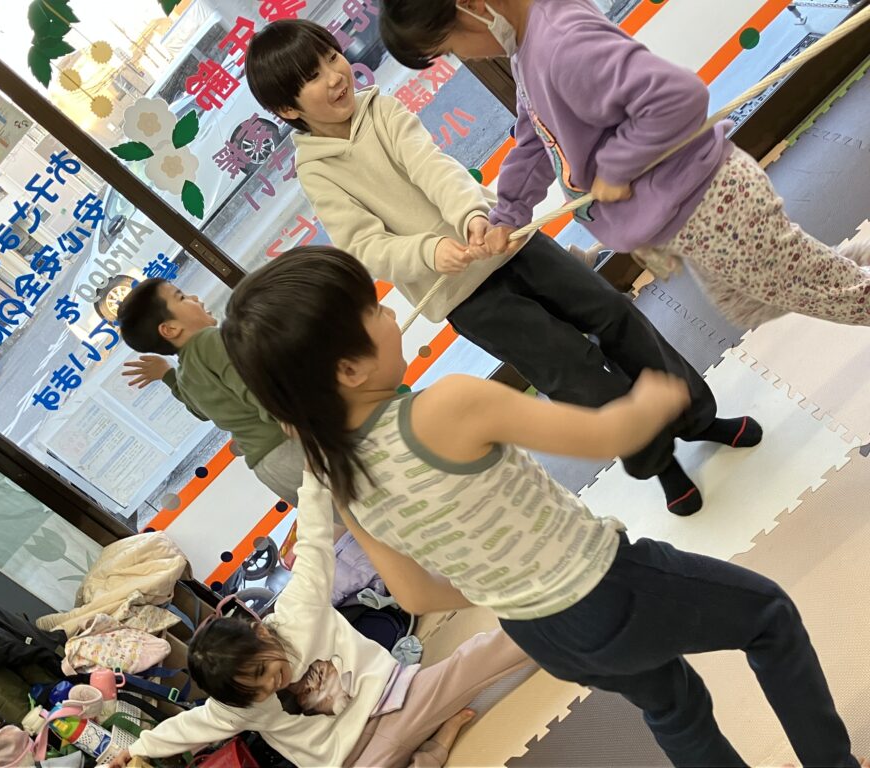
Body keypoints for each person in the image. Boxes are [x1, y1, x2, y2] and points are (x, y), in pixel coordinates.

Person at [220, 246, 861, 768]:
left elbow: (413, 594)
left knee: (673, 706)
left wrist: (509, 581)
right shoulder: (447, 405)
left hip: (538, 633)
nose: (391, 313)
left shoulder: (338, 473)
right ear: (347, 371)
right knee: (769, 618)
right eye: (373, 310)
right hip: (608, 589)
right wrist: (655, 395)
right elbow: (608, 435)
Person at [244, 19, 761, 516]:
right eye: (313, 77)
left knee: (614, 314)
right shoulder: (316, 172)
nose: (334, 76)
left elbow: (435, 168)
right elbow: (364, 245)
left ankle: (698, 419)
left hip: (506, 242)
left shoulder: (382, 109)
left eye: (331, 58)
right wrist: (430, 252)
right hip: (462, 294)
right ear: (288, 108)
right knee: (570, 369)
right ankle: (658, 461)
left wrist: (472, 217)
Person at [377, 0, 870, 332]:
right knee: (753, 302)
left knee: (832, 293)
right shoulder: (526, 48)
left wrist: (614, 168)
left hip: (709, 204)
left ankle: (837, 276)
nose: (461, 57)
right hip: (687, 215)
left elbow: (677, 97)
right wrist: (507, 215)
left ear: (470, 7)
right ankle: (836, 268)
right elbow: (535, 137)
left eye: (448, 48)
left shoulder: (559, 43)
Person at [107, 470, 532, 768]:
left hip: (402, 699)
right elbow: (190, 726)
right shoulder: (236, 707)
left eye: (265, 672)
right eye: (256, 692)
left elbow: (312, 544)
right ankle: (434, 751)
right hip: (357, 760)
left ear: (261, 633)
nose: (272, 686)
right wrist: (138, 748)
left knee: (472, 661)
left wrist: (313, 477)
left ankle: (550, 619)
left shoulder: (298, 613)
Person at [117, 277, 304, 507]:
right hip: (290, 443)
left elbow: (199, 410)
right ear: (170, 329)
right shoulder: (209, 341)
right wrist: (286, 414)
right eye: (182, 297)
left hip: (270, 468)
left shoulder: (186, 375)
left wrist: (167, 375)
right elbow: (249, 381)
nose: (195, 298)